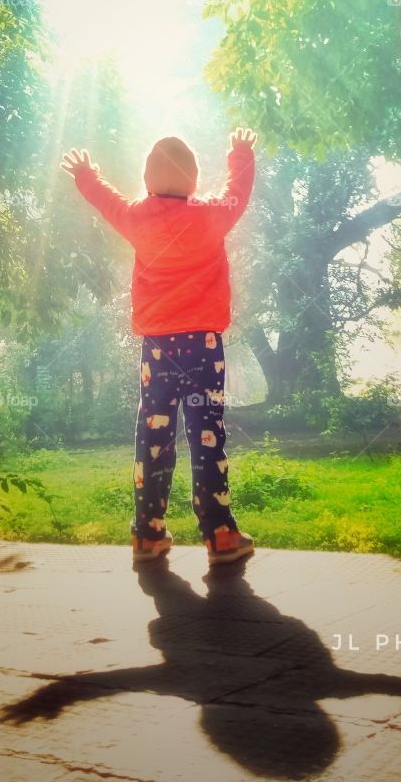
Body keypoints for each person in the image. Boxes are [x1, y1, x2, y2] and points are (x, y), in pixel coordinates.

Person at [61, 128, 257, 567]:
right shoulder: (210, 215)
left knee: (154, 435)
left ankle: (148, 534)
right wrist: (240, 152)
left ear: (148, 181)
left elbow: (105, 200)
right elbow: (237, 191)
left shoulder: (136, 217)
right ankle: (220, 534)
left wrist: (86, 175)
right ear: (193, 181)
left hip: (158, 349)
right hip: (204, 345)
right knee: (207, 436)